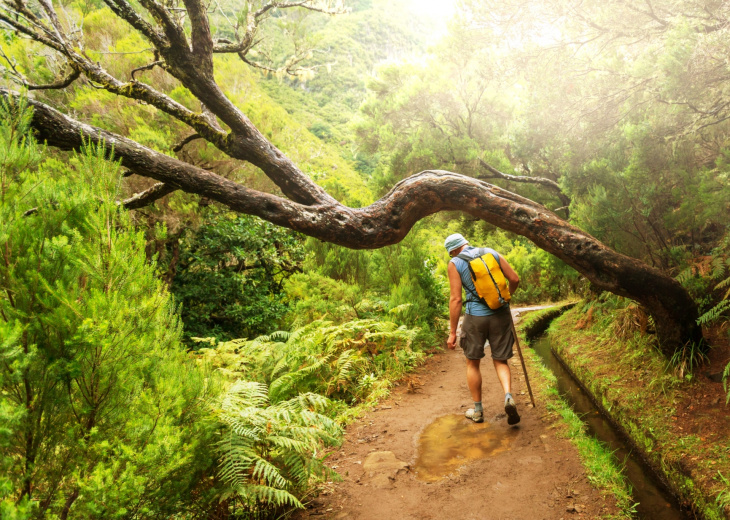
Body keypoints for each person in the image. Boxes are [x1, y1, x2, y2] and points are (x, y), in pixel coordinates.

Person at [445, 233, 521, 425]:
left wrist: (453, 332)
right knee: (500, 359)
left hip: (475, 317)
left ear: (453, 251)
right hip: (500, 314)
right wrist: (505, 299)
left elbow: (456, 299)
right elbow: (515, 279)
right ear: (466, 243)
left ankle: (478, 411)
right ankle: (508, 396)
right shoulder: (491, 252)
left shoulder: (455, 263)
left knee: (472, 362)